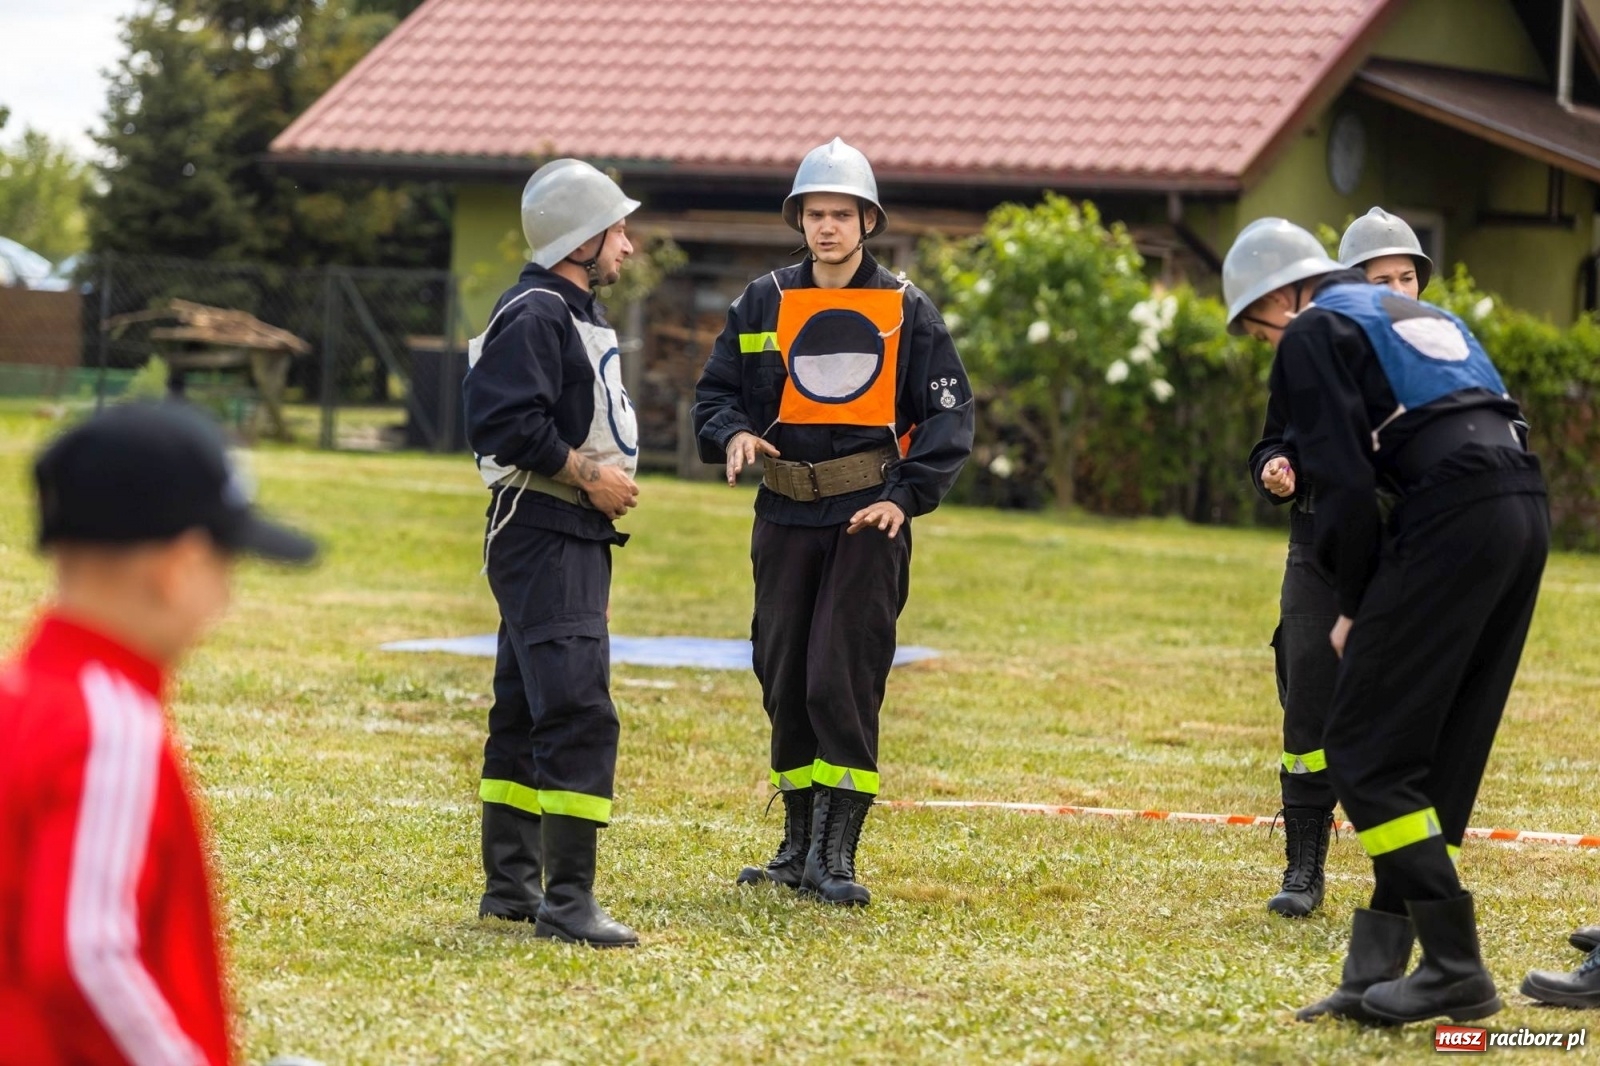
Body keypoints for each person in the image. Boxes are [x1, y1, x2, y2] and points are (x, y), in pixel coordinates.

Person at [1224, 218, 1548, 1026]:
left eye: (1261, 329)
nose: (1271, 345)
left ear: (1281, 296)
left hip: (1453, 510)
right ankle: (1376, 970)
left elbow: (1335, 481)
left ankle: (1455, 967)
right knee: (1435, 755)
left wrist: (1352, 603)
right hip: (1525, 507)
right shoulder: (1424, 317)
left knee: (1363, 751)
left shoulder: (1314, 327)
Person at [692, 137, 974, 906]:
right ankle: (794, 847)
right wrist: (733, 433)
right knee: (783, 675)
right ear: (799, 220)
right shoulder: (762, 301)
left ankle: (837, 857)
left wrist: (905, 496)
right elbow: (716, 394)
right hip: (783, 512)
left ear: (866, 221)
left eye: (841, 215)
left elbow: (950, 418)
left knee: (838, 679)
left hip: (864, 522)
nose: (826, 228)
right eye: (814, 214)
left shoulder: (907, 309)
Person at [0, 401, 317, 1065]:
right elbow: (87, 954)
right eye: (226, 567)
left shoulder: (19, 698)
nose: (226, 596)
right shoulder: (110, 726)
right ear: (179, 567)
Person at [462, 158, 643, 947]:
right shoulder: (537, 312)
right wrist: (588, 477)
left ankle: (511, 887)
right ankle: (568, 903)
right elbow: (506, 424)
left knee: (527, 703)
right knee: (576, 707)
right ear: (582, 239)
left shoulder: (563, 307)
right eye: (618, 230)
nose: (628, 247)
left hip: (558, 532)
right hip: (548, 526)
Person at [1245, 207, 1434, 919]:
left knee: (1406, 718)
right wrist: (1276, 466)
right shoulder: (1308, 352)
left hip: (1407, 552)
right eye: (1378, 277)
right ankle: (1303, 873)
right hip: (1317, 545)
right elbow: (1271, 442)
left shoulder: (1434, 350)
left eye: (1405, 276)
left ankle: (1412, 883)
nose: (1394, 287)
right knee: (1308, 712)